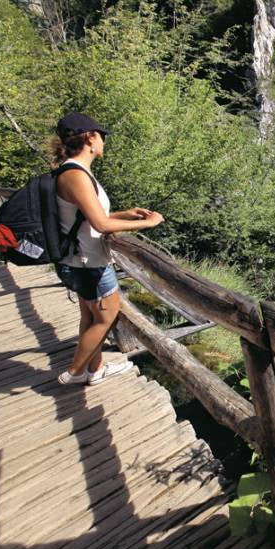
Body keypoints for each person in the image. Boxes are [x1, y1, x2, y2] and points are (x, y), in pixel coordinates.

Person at [49, 112, 164, 385]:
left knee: (90, 316)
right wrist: (148, 224)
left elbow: (87, 217)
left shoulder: (71, 171)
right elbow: (100, 224)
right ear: (90, 138)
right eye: (101, 136)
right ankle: (74, 373)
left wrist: (125, 214)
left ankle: (95, 370)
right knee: (106, 317)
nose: (104, 141)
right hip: (89, 261)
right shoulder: (75, 174)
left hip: (79, 259)